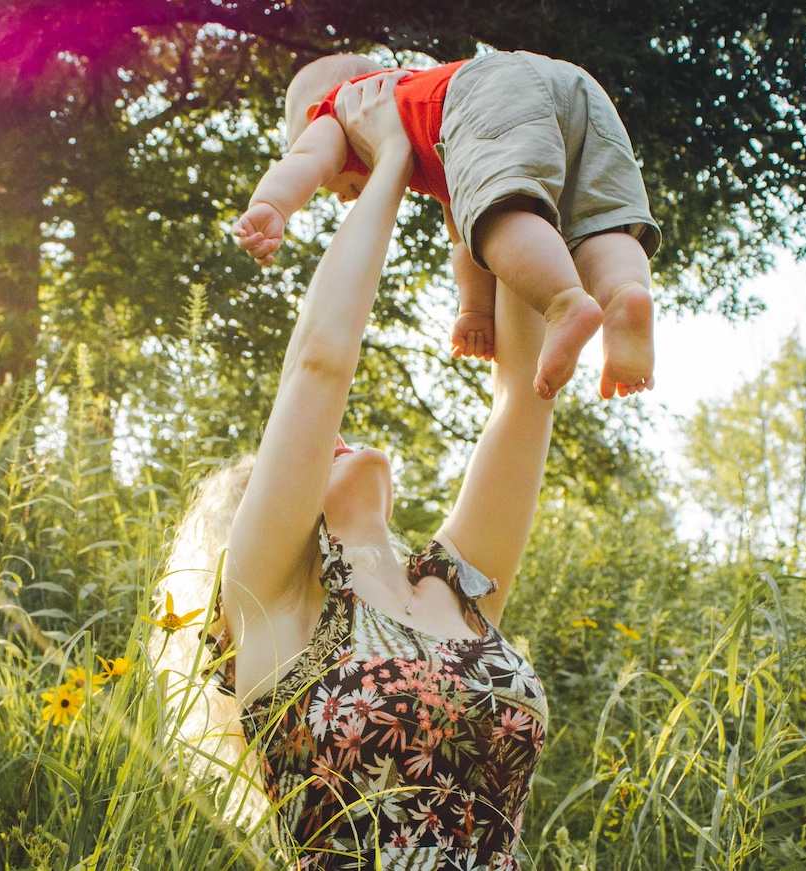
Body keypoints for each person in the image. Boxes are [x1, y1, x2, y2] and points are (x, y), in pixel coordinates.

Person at [163, 73, 557, 869]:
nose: (331, 436)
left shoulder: (454, 591)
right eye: (318, 448)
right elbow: (319, 363)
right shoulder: (269, 599)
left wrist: (491, 173)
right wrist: (386, 164)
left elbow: (526, 396)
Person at [233, 50, 663, 402]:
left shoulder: (344, 110)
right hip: (576, 87)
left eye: (334, 188)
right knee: (597, 221)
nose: (343, 196)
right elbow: (465, 239)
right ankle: (624, 296)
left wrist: (271, 204)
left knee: (500, 218)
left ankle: (565, 303)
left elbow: (305, 160)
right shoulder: (438, 132)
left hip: (490, 89)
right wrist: (475, 311)